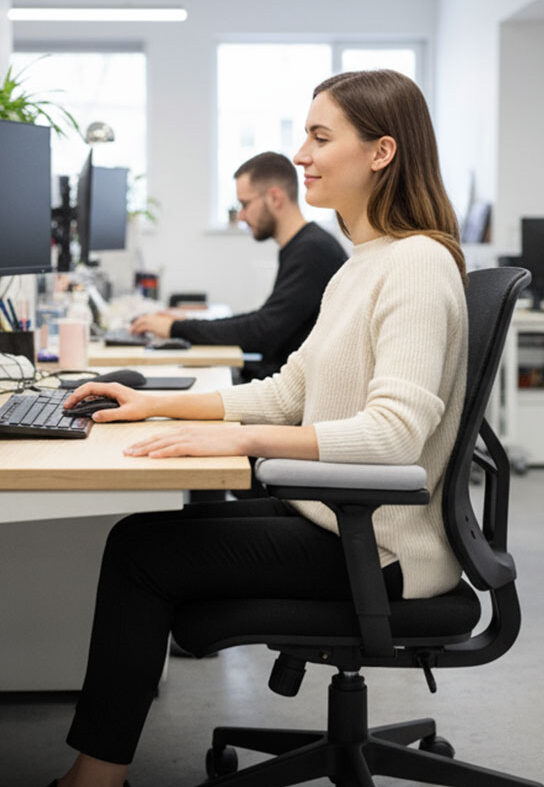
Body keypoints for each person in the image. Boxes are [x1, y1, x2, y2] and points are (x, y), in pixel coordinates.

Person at [49, 69, 468, 787]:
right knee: (155, 535)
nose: (300, 154)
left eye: (320, 135)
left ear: (380, 152)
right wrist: (151, 400)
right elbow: (287, 391)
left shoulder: (418, 266)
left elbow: (395, 434)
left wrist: (242, 440)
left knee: (140, 551)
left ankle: (92, 782)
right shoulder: (364, 266)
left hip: (383, 545)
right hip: (339, 515)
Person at [130, 152, 347, 380]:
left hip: (288, 392)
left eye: (245, 204)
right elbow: (266, 319)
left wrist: (174, 329)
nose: (241, 216)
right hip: (280, 379)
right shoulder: (303, 245)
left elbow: (262, 331)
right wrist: (183, 324)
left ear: (275, 198)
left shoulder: (313, 250)